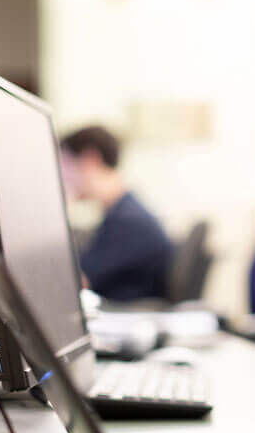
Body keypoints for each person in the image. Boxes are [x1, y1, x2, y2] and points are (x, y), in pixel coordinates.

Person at [60, 125, 173, 303]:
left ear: (90, 161)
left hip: (126, 316)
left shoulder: (128, 221)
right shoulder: (123, 210)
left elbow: (74, 284)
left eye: (65, 165)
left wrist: (58, 211)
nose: (62, 176)